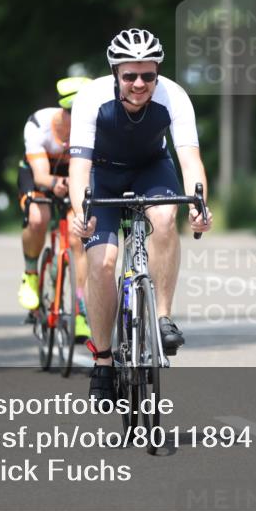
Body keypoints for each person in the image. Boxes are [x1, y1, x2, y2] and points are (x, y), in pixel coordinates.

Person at [68, 28, 211, 404]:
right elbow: (79, 166)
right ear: (115, 72)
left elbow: (190, 160)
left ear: (158, 72)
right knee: (101, 263)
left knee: (164, 220)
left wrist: (199, 205)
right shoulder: (91, 98)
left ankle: (163, 318)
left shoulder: (173, 96)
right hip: (102, 174)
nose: (139, 83)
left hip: (151, 168)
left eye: (148, 75)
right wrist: (78, 209)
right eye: (130, 75)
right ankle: (102, 361)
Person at [17, 76, 92, 340]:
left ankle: (82, 310)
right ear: (64, 112)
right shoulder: (39, 124)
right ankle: (31, 274)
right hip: (41, 174)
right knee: (38, 217)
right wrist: (56, 182)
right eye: (77, 115)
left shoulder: (95, 128)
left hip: (75, 176)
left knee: (78, 233)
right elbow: (40, 175)